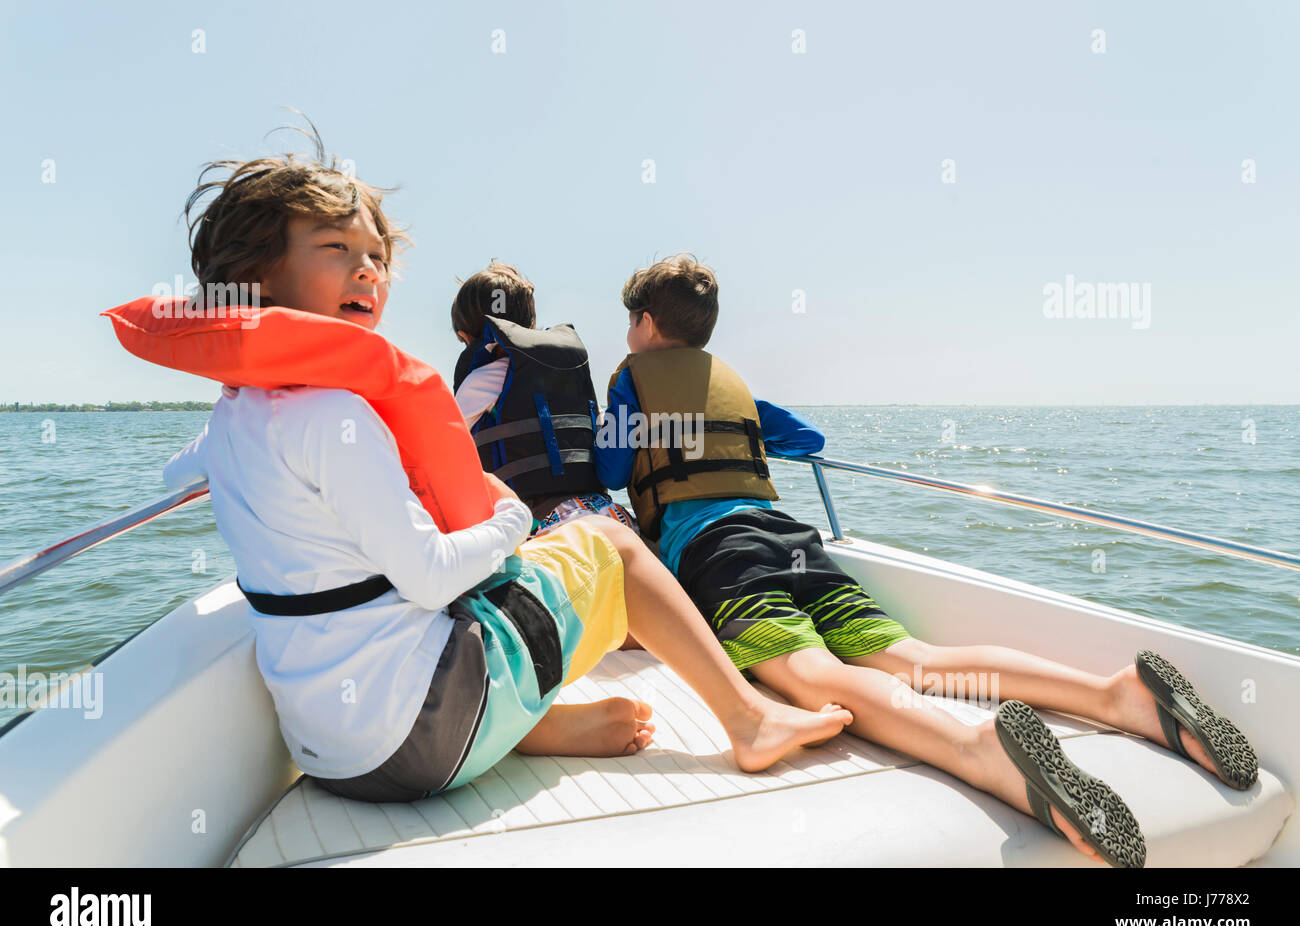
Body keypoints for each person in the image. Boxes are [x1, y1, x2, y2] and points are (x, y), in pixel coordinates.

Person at [137, 133, 853, 805]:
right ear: (255, 274)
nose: (367, 269)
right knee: (615, 546)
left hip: (333, 754)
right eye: (335, 247)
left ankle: (534, 726)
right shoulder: (336, 417)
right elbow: (429, 574)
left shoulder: (234, 417)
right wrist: (511, 519)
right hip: (424, 732)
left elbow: (184, 473)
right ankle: (749, 719)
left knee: (434, 591)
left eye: (376, 256)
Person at [595, 253, 1260, 867]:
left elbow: (612, 466)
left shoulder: (632, 381)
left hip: (722, 554)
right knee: (915, 657)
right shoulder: (732, 385)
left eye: (631, 321)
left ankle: (975, 749)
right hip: (791, 539)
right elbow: (808, 437)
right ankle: (1116, 695)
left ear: (647, 322)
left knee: (810, 671)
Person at [451, 261, 636, 537]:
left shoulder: (484, 379)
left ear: (466, 336)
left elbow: (437, 446)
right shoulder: (570, 373)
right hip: (607, 513)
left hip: (545, 524)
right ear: (530, 325)